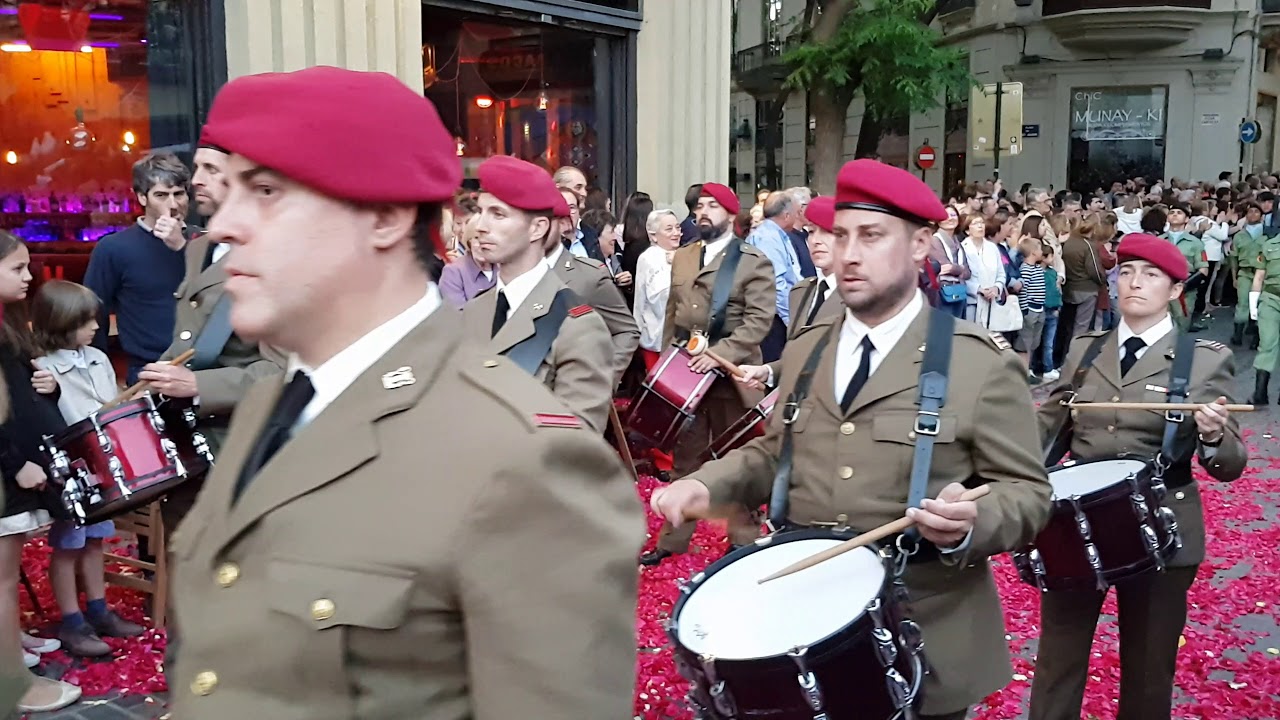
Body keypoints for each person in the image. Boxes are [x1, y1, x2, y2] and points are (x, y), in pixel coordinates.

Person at [171, 66, 643, 719]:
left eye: (267, 191)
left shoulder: (527, 464)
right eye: (227, 192)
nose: (224, 226)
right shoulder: (268, 408)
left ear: (385, 219)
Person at [651, 159, 1053, 720]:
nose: (849, 254)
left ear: (920, 245)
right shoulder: (808, 348)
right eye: (841, 236)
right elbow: (776, 451)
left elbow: (1028, 492)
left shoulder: (977, 363)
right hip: (805, 625)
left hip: (923, 636)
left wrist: (972, 523)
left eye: (871, 236)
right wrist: (705, 484)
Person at [1031, 233, 1247, 720]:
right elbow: (1048, 433)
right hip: (1076, 526)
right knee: (1057, 666)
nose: (1135, 283)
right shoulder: (1086, 350)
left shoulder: (1203, 358)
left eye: (1151, 275)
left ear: (1175, 290)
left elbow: (1230, 465)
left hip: (1162, 525)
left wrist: (1214, 435)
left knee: (1149, 672)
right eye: (1126, 272)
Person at [134, 141, 285, 539]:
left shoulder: (276, 252)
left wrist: (199, 384)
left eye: (211, 169)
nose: (196, 180)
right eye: (197, 168)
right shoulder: (198, 247)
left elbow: (285, 369)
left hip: (243, 451)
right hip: (189, 448)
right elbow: (193, 338)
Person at [639, 182, 775, 566]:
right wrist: (668, 359)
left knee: (738, 457)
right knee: (686, 455)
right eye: (700, 206)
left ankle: (743, 540)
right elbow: (673, 311)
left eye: (713, 206)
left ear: (731, 214)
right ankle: (672, 540)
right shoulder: (684, 255)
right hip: (687, 372)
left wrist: (719, 355)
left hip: (731, 375)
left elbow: (758, 321)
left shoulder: (752, 261)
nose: (703, 212)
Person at [31, 281, 146, 657]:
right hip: (71, 468)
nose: (97, 326)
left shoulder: (97, 357)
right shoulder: (43, 367)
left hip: (102, 464)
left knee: (95, 540)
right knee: (69, 546)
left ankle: (98, 611)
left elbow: (109, 401)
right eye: (87, 321)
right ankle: (71, 621)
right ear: (62, 323)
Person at [461, 156, 615, 434]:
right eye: (480, 211)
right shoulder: (473, 311)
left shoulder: (578, 327)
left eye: (498, 214)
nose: (480, 225)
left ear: (538, 228)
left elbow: (576, 445)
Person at [0, 233, 82, 713]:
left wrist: (47, 387)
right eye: (17, 268)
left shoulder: (10, 326)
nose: (29, 277)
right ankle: (14, 684)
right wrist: (15, 464)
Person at [84, 153, 191, 384]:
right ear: (142, 198)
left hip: (204, 369)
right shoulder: (114, 248)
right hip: (148, 371)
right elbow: (93, 314)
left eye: (179, 194)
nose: (173, 204)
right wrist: (100, 378)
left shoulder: (205, 241)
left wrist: (182, 246)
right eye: (161, 195)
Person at [737, 196, 841, 390]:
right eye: (811, 232)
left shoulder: (859, 298)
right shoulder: (801, 292)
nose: (816, 241)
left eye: (828, 232)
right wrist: (768, 372)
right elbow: (798, 356)